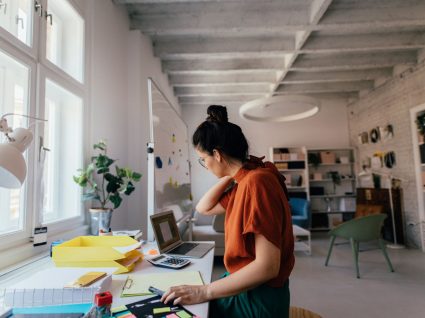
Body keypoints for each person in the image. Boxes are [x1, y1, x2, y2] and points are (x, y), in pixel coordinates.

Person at [161, 105, 295, 318]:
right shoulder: (244, 181)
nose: (205, 165)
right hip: (249, 288)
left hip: (258, 300)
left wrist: (203, 291)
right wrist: (233, 172)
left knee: (182, 309)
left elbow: (267, 267)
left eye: (204, 159)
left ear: (217, 154)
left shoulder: (257, 182)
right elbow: (204, 207)